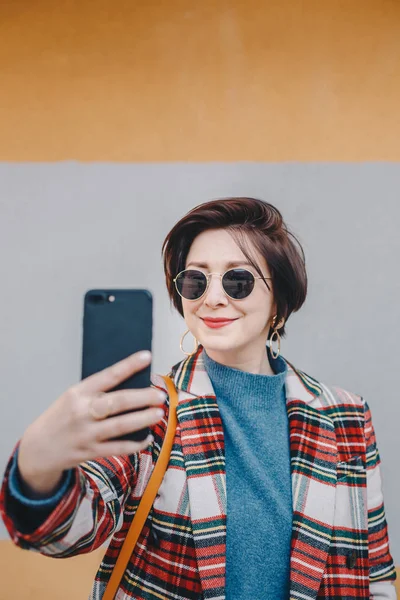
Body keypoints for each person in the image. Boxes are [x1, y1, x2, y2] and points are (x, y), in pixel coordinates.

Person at [0, 197, 397, 600]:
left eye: (237, 280)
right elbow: (73, 529)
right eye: (195, 280)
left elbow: (375, 575)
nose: (212, 298)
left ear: (279, 298)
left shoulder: (347, 415)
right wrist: (37, 465)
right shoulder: (151, 406)